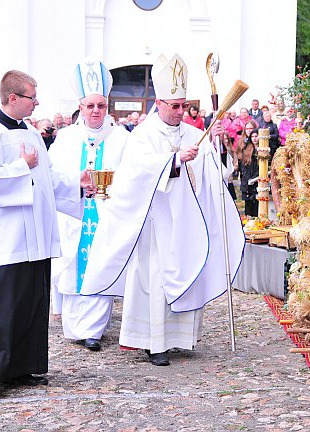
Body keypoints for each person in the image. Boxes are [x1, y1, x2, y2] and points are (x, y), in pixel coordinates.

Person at [80, 53, 244, 366]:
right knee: (155, 281)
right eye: (175, 106)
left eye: (184, 105)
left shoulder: (196, 134)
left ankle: (181, 339)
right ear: (159, 103)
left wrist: (220, 146)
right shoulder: (142, 135)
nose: (181, 111)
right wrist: (173, 161)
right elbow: (134, 174)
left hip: (185, 222)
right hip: (156, 224)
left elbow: (216, 174)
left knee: (186, 270)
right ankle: (154, 344)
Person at [0, 70, 91, 400]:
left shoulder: (32, 134)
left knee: (30, 304)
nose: (37, 103)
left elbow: (47, 175)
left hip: (34, 236)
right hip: (4, 239)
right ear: (13, 99)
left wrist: (76, 185)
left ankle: (22, 366)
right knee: (1, 306)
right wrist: (21, 166)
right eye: (32, 98)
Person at [49, 58, 129, 352]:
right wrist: (77, 182)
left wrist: (106, 184)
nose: (96, 111)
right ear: (80, 108)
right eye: (90, 106)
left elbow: (131, 174)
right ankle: (74, 327)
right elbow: (53, 173)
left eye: (101, 105)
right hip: (74, 214)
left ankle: (94, 329)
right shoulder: (66, 138)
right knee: (72, 267)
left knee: (101, 263)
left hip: (106, 212)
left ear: (108, 107)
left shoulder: (121, 138)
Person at [238, 128, 260, 217]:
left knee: (257, 205)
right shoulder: (247, 149)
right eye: (252, 136)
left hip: (257, 179)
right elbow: (243, 165)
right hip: (247, 179)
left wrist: (255, 177)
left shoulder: (263, 149)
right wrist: (246, 177)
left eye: (256, 136)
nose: (254, 138)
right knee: (248, 206)